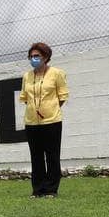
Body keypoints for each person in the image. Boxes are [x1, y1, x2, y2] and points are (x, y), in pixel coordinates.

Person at [20, 43, 70, 198]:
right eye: (31, 56)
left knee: (52, 156)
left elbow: (62, 96)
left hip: (52, 121)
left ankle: (51, 189)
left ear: (46, 57)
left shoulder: (56, 73)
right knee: (36, 157)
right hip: (31, 123)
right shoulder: (27, 76)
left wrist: (50, 109)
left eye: (37, 56)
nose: (33, 59)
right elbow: (25, 98)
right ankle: (38, 189)